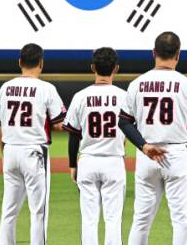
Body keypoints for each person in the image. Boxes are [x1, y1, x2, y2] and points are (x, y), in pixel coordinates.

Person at [118, 31, 187, 245]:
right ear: (178, 54)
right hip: (176, 155)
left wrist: (143, 146)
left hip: (146, 155)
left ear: (154, 53)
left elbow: (123, 122)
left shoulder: (137, 84)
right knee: (180, 220)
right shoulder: (186, 84)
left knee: (141, 220)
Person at [0, 43, 66, 245]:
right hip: (34, 152)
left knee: (9, 211)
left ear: (20, 62)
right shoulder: (46, 88)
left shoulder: (6, 87)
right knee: (38, 211)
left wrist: (3, 153)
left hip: (10, 151)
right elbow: (59, 124)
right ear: (41, 64)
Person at [63, 47, 127, 245]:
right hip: (114, 162)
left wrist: (72, 164)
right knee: (113, 219)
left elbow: (74, 135)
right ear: (116, 69)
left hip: (88, 161)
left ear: (93, 68)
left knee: (89, 220)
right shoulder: (124, 97)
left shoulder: (80, 96)